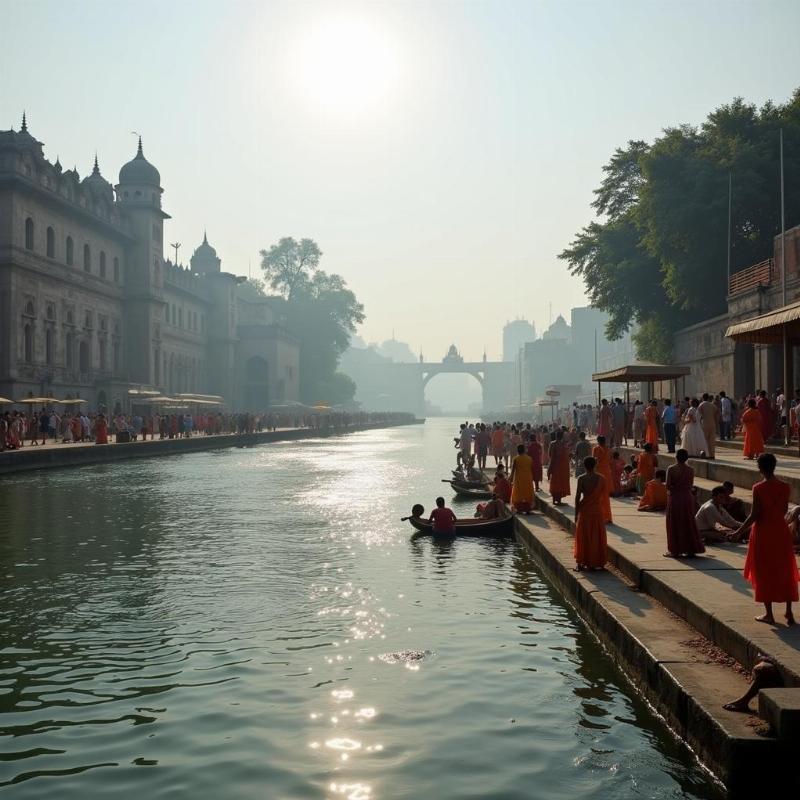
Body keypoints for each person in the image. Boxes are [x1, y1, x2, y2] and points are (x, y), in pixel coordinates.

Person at [732, 453, 799, 625]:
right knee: (784, 569)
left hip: (763, 533)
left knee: (764, 571)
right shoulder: (785, 487)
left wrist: (739, 531)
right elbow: (784, 510)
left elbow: (754, 515)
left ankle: (769, 614)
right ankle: (789, 612)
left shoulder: (758, 488)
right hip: (781, 531)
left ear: (760, 468)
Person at [665, 449, 705, 558]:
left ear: (676, 457)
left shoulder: (671, 469)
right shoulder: (690, 470)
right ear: (687, 458)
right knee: (688, 521)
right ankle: (690, 549)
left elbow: (668, 486)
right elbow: (690, 485)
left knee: (674, 522)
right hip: (687, 498)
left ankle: (675, 550)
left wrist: (675, 488)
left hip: (676, 497)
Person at [573, 456, 608, 571]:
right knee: (596, 537)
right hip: (597, 510)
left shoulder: (581, 478)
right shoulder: (601, 478)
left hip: (585, 511)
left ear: (584, 465)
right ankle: (596, 562)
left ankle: (583, 561)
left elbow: (577, 497)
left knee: (584, 536)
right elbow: (603, 497)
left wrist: (575, 513)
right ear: (595, 465)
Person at [591, 435, 613, 524]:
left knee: (598, 495)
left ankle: (599, 516)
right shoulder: (609, 449)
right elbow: (610, 460)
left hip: (599, 472)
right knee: (605, 496)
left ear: (598, 441)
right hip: (606, 473)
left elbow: (594, 461)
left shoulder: (596, 449)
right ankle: (607, 516)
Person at [547, 431, 571, 505]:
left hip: (555, 465)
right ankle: (559, 500)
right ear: (562, 436)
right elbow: (567, 455)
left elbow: (550, 454)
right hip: (563, 466)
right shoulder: (564, 444)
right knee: (561, 482)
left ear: (556, 436)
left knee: (555, 482)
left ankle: (554, 500)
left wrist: (550, 467)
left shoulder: (552, 443)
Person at [510, 443, 535, 514]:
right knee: (527, 493)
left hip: (519, 478)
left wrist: (511, 479)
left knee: (518, 493)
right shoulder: (529, 459)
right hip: (528, 478)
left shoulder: (515, 459)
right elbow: (532, 469)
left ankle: (519, 508)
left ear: (518, 451)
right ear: (524, 450)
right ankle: (527, 508)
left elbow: (513, 470)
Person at [698, 393, 718, 459]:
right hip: (712, 424)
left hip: (704, 424)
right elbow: (716, 414)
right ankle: (712, 455)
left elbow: (699, 416)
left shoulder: (701, 405)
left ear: (703, 398)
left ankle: (706, 454)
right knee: (712, 440)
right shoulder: (712, 405)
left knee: (705, 440)